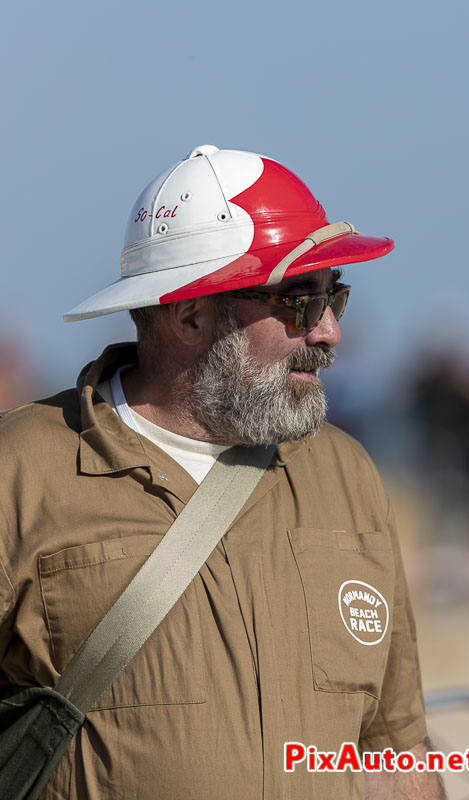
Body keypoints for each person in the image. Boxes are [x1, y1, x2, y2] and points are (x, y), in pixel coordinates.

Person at [0, 145, 445, 799]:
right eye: (299, 303)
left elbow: (392, 746)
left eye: (334, 300)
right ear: (189, 316)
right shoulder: (24, 467)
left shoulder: (346, 475)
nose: (328, 333)